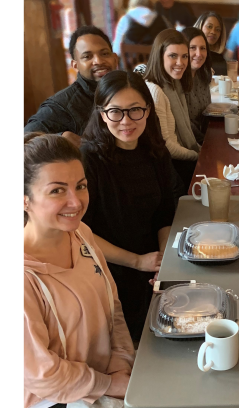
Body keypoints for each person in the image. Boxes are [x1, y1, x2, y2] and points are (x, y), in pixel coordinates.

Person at [23, 133, 134, 407]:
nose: (76, 202)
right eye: (57, 190)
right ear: (25, 200)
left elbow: (112, 306)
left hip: (109, 381)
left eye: (81, 186)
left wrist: (121, 364)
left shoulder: (81, 233)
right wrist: (108, 385)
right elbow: (42, 375)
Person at [81, 71, 175, 341]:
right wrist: (138, 262)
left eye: (135, 110)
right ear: (102, 114)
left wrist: (162, 259)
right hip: (110, 268)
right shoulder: (89, 159)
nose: (126, 121)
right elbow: (81, 232)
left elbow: (164, 213)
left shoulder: (155, 150)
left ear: (148, 110)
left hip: (153, 262)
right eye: (115, 112)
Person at [23, 26, 118, 147]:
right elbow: (26, 138)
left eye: (104, 54)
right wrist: (60, 138)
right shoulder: (62, 105)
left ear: (115, 59)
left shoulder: (126, 90)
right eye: (87, 57)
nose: (98, 61)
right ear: (75, 65)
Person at [141, 29, 201, 190]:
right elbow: (168, 147)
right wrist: (197, 155)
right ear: (159, 57)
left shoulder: (174, 84)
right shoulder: (156, 91)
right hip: (171, 168)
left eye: (184, 56)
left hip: (178, 160)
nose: (180, 63)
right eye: (173, 56)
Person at [182, 27, 212, 145]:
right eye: (192, 48)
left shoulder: (202, 75)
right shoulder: (178, 80)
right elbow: (184, 125)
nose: (199, 54)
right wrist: (206, 142)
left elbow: (207, 112)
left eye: (203, 48)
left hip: (205, 136)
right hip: (191, 144)